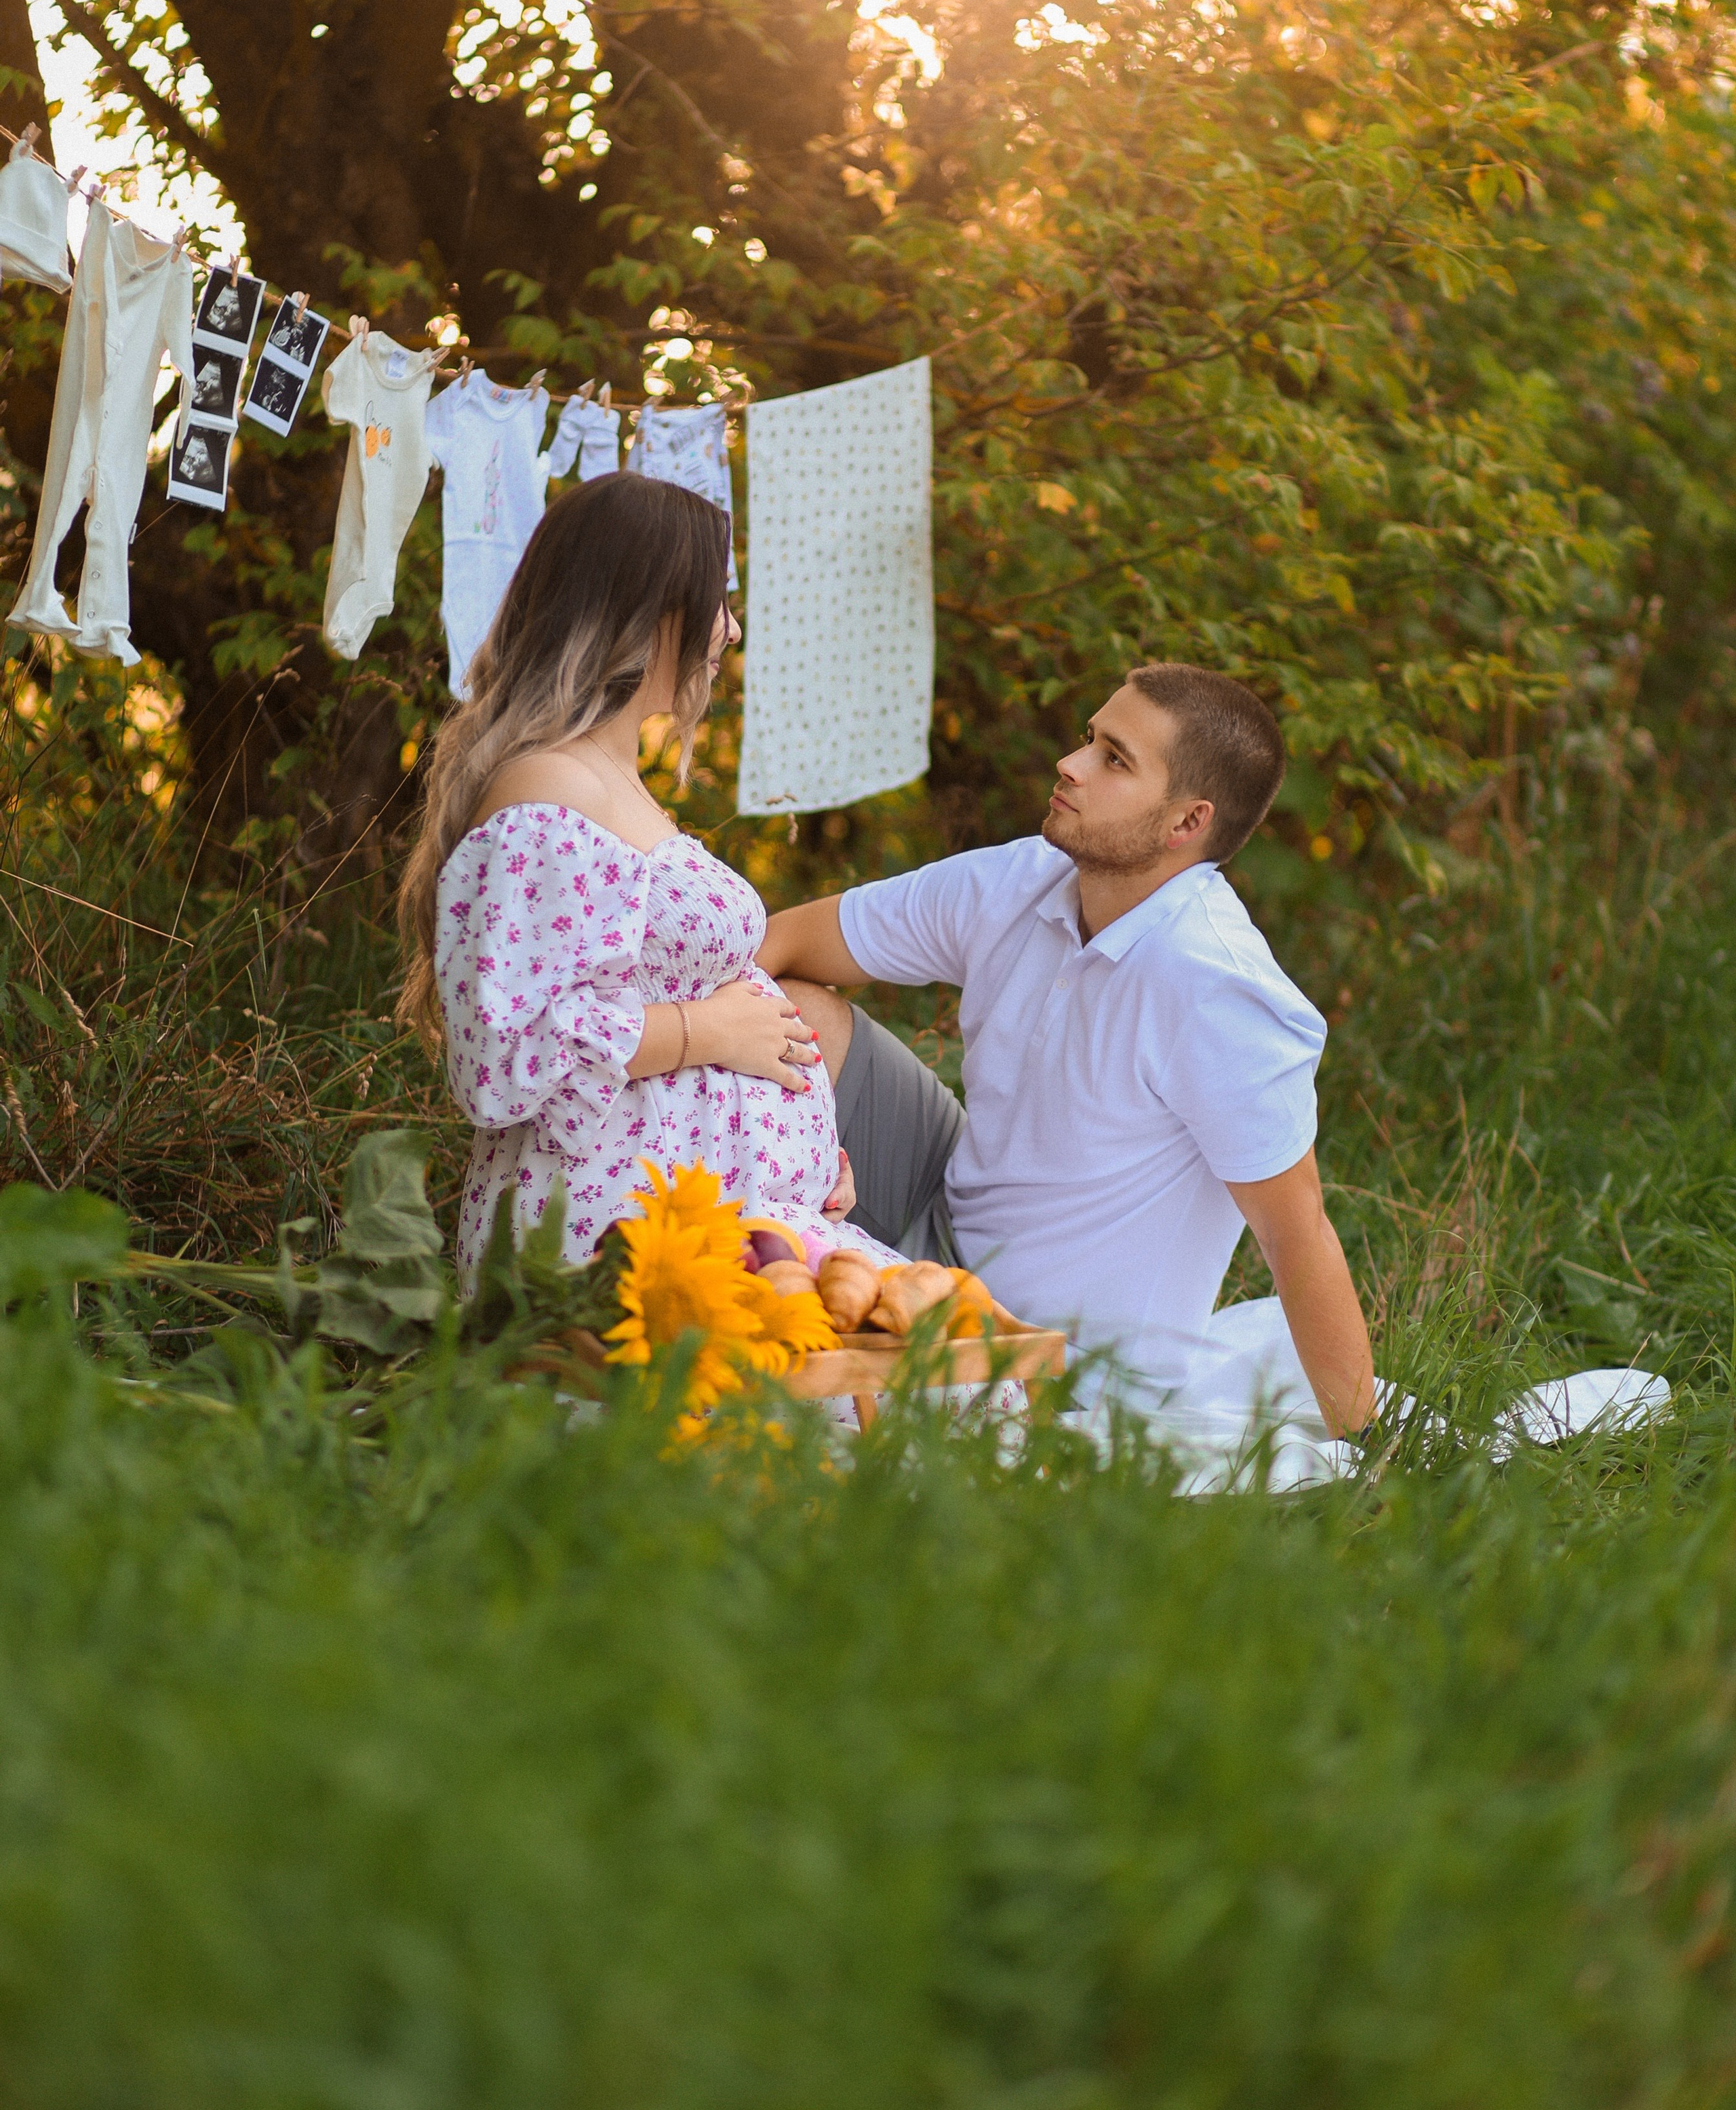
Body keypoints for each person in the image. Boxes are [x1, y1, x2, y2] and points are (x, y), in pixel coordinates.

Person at [757, 665, 1376, 1437]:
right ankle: (649, 1237)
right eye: (1089, 739)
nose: (1071, 764)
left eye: (1114, 759)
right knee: (786, 1009)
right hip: (941, 1215)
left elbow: (1297, 1231)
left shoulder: (1220, 992)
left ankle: (750, 1267)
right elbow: (779, 942)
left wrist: (1365, 1446)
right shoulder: (1025, 879)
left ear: (1186, 824)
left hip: (1058, 1357)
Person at [396, 472, 886, 1281]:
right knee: (956, 1383)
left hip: (727, 1219)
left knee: (958, 1370)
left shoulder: (611, 785)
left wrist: (798, 1152)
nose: (730, 629)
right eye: (716, 602)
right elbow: (505, 1055)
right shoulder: (548, 790)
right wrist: (715, 1034)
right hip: (613, 1247)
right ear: (653, 613)